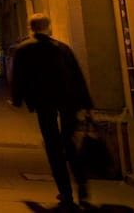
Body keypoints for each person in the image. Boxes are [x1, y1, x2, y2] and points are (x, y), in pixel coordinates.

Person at [10, 13, 94, 208]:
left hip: (44, 102)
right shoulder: (62, 48)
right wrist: (87, 104)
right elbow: (77, 76)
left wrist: (17, 100)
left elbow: (18, 77)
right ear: (48, 26)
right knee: (70, 143)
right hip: (68, 101)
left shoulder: (24, 50)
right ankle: (81, 183)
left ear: (31, 28)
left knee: (53, 147)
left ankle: (65, 192)